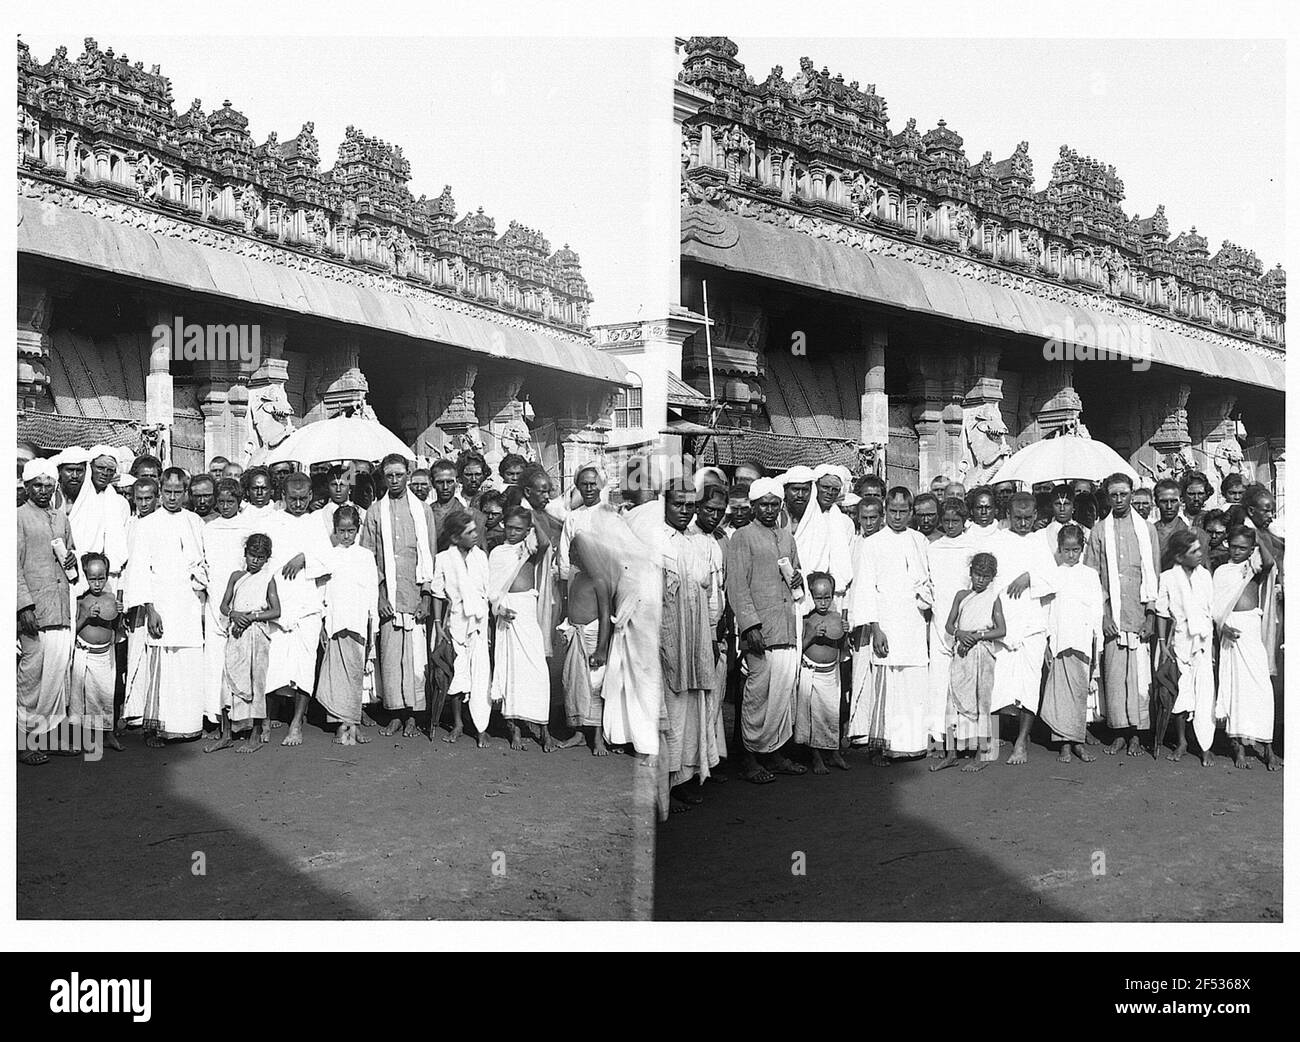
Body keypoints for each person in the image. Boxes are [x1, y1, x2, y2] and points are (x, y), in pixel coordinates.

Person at [630, 483, 717, 812]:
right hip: (665, 638)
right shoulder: (653, 541)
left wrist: (709, 634)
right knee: (665, 709)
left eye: (690, 505)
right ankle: (661, 784)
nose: (685, 510)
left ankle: (685, 777)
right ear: (665, 505)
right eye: (678, 504)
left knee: (692, 707)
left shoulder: (696, 544)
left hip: (694, 641)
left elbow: (708, 592)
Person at [571, 507, 665, 770]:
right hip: (621, 632)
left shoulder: (641, 559)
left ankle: (649, 746)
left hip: (640, 630)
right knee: (619, 683)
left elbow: (637, 596)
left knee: (642, 683)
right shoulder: (608, 564)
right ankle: (626, 737)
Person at [725, 477, 805, 783]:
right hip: (760, 632)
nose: (769, 509)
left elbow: (797, 574)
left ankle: (775, 754)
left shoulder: (787, 537)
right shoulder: (743, 537)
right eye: (763, 505)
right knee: (757, 696)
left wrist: (799, 580)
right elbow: (737, 586)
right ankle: (749, 758)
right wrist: (750, 626)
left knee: (782, 696)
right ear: (753, 506)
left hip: (786, 627)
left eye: (774, 504)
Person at [122, 467, 208, 747]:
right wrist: (151, 608)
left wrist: (200, 578)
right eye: (167, 492)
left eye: (178, 492)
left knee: (188, 664)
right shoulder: (149, 524)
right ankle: (155, 729)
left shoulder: (195, 521)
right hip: (161, 604)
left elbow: (202, 560)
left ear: (186, 493)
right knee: (162, 665)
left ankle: (188, 726)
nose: (172, 497)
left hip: (189, 604)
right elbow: (139, 570)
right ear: (161, 492)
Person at [848, 487, 931, 764]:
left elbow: (926, 580)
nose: (897, 517)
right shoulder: (873, 543)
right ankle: (880, 748)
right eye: (893, 511)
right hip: (886, 624)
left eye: (903, 511)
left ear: (911, 512)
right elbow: (866, 590)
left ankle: (910, 744)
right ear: (886, 511)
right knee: (887, 685)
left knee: (913, 685)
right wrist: (876, 628)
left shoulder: (920, 540)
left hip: (914, 624)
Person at [361, 453, 437, 739]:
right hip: (388, 599)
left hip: (415, 595)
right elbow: (369, 559)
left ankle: (413, 716)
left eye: (399, 475)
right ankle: (395, 714)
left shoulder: (422, 511)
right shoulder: (374, 512)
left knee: (416, 660)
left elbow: (429, 553)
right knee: (391, 658)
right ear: (383, 477)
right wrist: (379, 598)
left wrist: (426, 597)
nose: (394, 480)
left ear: (408, 475)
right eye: (389, 475)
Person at [1085, 472, 1160, 757]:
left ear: (1131, 494)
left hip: (1138, 614)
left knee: (1139, 678)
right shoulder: (1099, 531)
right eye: (1113, 495)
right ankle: (1118, 732)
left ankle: (1137, 735)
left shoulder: (1146, 530)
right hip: (1112, 617)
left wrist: (1151, 616)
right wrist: (1104, 617)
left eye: (1123, 494)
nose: (1118, 500)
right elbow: (1093, 578)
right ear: (1107, 497)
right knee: (1115, 677)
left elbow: (1153, 573)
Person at [990, 492, 1060, 765]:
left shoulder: (1039, 541)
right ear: (1008, 516)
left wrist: (1029, 576)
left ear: (1035, 517)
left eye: (1027, 518)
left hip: (1032, 623)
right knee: (998, 682)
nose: (1022, 523)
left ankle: (1021, 742)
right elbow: (990, 580)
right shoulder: (998, 541)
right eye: (1017, 518)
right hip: (1003, 622)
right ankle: (993, 737)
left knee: (1029, 684)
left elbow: (1053, 580)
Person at [266, 472, 333, 748]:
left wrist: (304, 557)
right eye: (292, 499)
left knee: (304, 665)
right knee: (273, 665)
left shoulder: (316, 522)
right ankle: (266, 719)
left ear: (310, 497)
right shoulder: (272, 522)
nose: (297, 504)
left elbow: (329, 560)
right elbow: (264, 560)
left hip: (307, 604)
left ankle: (296, 722)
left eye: (302, 499)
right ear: (283, 497)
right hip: (278, 604)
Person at [17, 458, 76, 764]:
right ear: (26, 487)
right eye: (36, 485)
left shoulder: (61, 517)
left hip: (60, 608)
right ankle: (23, 743)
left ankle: (50, 737)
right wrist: (23, 607)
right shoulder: (17, 518)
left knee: (57, 678)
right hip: (33, 612)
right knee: (31, 679)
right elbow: (11, 567)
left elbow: (72, 557)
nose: (42, 490)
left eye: (47, 485)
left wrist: (72, 561)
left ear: (55, 486)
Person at [1213, 527, 1280, 770]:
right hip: (1232, 630)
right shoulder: (1222, 571)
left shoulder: (1254, 568)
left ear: (1251, 549)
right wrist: (1223, 627)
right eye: (1234, 546)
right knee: (1236, 688)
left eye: (1243, 548)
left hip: (1252, 629)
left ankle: (1268, 748)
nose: (1237, 551)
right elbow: (1217, 607)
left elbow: (1270, 562)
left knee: (1261, 688)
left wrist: (1259, 537)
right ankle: (1238, 747)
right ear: (1228, 545)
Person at [930, 552, 1004, 772]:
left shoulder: (993, 598)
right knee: (952, 701)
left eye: (986, 576)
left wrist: (977, 636)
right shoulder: (961, 596)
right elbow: (949, 626)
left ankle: (982, 754)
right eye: (977, 574)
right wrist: (961, 634)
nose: (980, 580)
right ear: (970, 573)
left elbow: (1001, 630)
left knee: (982, 703)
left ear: (992, 577)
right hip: (962, 654)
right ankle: (951, 753)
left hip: (982, 655)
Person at [206, 532, 280, 753]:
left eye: (260, 557)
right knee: (228, 683)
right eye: (252, 555)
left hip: (256, 636)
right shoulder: (236, 576)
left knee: (256, 683)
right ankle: (226, 734)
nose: (255, 561)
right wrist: (235, 614)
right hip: (236, 635)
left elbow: (276, 611)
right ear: (245, 554)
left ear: (267, 558)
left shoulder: (268, 579)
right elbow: (223, 606)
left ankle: (255, 736)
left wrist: (251, 617)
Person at [489, 506, 554, 750]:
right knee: (511, 671)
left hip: (527, 611)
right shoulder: (497, 553)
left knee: (537, 671)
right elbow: (492, 591)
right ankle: (514, 729)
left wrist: (533, 516)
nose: (513, 532)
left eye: (519, 529)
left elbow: (546, 542)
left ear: (527, 530)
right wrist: (499, 608)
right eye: (510, 527)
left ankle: (544, 730)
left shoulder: (529, 549)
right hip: (507, 613)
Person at [1039, 525, 1103, 764]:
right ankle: (1063, 743)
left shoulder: (1089, 574)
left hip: (1083, 640)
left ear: (1082, 549)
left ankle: (1077, 742)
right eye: (1066, 550)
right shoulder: (1053, 574)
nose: (1071, 555)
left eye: (1076, 550)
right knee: (1061, 695)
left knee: (1078, 694)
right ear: (1059, 549)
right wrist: (1047, 639)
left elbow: (1097, 608)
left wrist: (1097, 638)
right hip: (1060, 640)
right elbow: (1047, 609)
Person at [316, 506, 379, 747]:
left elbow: (372, 589)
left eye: (351, 530)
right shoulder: (329, 555)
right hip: (335, 620)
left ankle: (354, 723)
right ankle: (340, 724)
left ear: (357, 530)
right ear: (335, 530)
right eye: (341, 531)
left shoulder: (365, 556)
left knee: (354, 675)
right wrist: (323, 619)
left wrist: (372, 621)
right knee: (337, 676)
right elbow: (322, 590)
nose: (346, 536)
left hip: (357, 621)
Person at [1153, 529, 1216, 766]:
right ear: (1180, 557)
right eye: (1194, 551)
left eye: (1200, 549)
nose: (1200, 554)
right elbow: (1161, 612)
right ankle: (1181, 742)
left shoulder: (1205, 576)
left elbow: (1212, 612)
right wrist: (1162, 643)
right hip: (1179, 641)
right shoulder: (1169, 577)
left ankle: (1205, 746)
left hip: (1204, 641)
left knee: (1205, 692)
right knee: (1181, 692)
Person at [432, 511, 492, 746]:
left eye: (475, 530)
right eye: (469, 532)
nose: (476, 535)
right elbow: (438, 593)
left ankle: (481, 728)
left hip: (479, 624)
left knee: (480, 676)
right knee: (457, 675)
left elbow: (488, 593)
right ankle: (458, 723)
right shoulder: (444, 559)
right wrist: (438, 625)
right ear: (456, 538)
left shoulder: (481, 557)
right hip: (455, 624)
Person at [924, 498, 975, 752]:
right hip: (939, 618)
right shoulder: (933, 548)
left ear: (965, 521)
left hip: (965, 621)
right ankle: (937, 732)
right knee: (938, 677)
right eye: (947, 521)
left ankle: (966, 734)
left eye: (956, 521)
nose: (951, 525)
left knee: (965, 677)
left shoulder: (972, 547)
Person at [201, 478, 251, 735]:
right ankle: (215, 715)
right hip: (214, 600)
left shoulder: (247, 528)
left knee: (238, 659)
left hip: (239, 602)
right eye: (220, 501)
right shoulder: (209, 529)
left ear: (240, 500)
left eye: (230, 501)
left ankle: (239, 718)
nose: (225, 506)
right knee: (214, 660)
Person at [797, 572, 849, 774]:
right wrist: (811, 635)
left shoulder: (836, 618)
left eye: (827, 597)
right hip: (812, 673)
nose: (823, 602)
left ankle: (834, 753)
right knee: (813, 716)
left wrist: (845, 632)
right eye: (818, 598)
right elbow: (799, 646)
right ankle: (816, 757)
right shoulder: (806, 619)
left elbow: (842, 646)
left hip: (831, 674)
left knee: (831, 714)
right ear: (811, 596)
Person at [71, 552, 123, 753]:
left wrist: (119, 612)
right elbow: (73, 628)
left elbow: (115, 625)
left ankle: (108, 734)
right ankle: (84, 737)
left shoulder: (110, 598)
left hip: (105, 655)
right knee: (82, 699)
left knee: (105, 696)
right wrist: (85, 616)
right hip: (85, 653)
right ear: (85, 577)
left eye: (101, 578)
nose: (97, 583)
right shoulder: (81, 599)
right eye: (92, 579)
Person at [429, 460, 462, 550]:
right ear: (433, 483)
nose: (445, 487)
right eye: (440, 482)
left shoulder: (464, 513)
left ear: (457, 482)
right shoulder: (426, 512)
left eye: (450, 482)